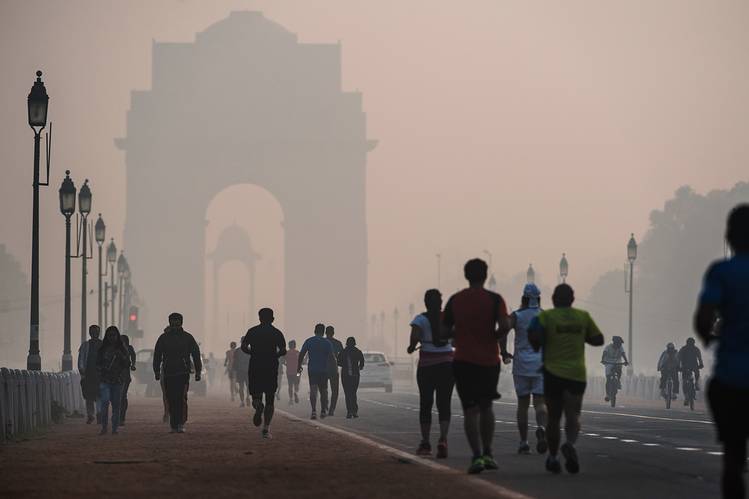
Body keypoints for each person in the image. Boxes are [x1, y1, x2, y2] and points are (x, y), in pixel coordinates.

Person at [694, 204, 749, 499]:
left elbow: (703, 318)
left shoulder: (722, 272)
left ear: (729, 237)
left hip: (732, 378)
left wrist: (709, 337)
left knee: (733, 457)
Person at [442, 258, 510, 474]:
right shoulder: (495, 299)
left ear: (466, 275)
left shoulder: (456, 300)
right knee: (486, 406)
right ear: (486, 275)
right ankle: (489, 452)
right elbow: (506, 325)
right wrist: (495, 336)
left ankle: (477, 455)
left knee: (470, 410)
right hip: (489, 360)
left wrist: (458, 334)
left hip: (463, 360)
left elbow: (442, 332)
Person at [528, 283, 604, 475]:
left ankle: (553, 458)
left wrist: (538, 344)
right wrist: (580, 335)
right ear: (572, 300)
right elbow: (598, 339)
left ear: (553, 300)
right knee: (573, 414)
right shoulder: (582, 317)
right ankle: (569, 443)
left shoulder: (545, 317)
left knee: (553, 418)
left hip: (553, 373)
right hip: (576, 374)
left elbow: (533, 334)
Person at [407, 288, 455, 458]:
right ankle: (443, 439)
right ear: (441, 303)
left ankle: (426, 442)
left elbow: (414, 339)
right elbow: (455, 338)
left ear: (426, 303)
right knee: (444, 403)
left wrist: (411, 348)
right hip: (447, 365)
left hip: (427, 366)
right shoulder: (448, 319)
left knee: (426, 403)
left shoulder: (420, 319)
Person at [508, 283, 548, 455]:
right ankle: (541, 427)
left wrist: (503, 351)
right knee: (540, 402)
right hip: (540, 364)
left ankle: (524, 442)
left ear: (524, 298)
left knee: (522, 405)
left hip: (521, 365)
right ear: (538, 299)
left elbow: (503, 331)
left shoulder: (517, 316)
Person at [240, 308, 287, 439]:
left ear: (259, 318)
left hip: (255, 366)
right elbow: (283, 350)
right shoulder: (276, 333)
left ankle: (258, 406)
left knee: (256, 395)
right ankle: (266, 429)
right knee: (270, 399)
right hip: (271, 367)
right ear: (272, 319)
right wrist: (275, 355)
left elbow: (244, 346)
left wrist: (252, 353)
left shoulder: (252, 331)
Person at [153, 312, 202, 434]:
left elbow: (196, 354)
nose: (175, 323)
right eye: (172, 320)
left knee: (181, 398)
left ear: (181, 322)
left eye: (177, 320)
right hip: (168, 372)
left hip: (183, 372)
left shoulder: (188, 337)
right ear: (169, 322)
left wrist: (198, 371)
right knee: (170, 398)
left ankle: (180, 423)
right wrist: (156, 370)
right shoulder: (163, 338)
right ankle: (173, 425)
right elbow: (157, 355)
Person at [96, 326, 131, 435]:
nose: (112, 338)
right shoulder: (102, 349)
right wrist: (102, 369)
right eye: (110, 335)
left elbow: (128, 364)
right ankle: (104, 427)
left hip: (118, 381)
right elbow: (97, 364)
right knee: (105, 402)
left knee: (116, 405)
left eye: (114, 335)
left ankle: (114, 428)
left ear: (117, 336)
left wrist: (122, 356)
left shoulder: (122, 349)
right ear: (107, 336)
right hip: (105, 380)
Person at [298, 324, 336, 419]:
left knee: (313, 390)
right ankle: (323, 410)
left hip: (312, 369)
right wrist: (334, 369)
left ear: (315, 330)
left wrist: (299, 366)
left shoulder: (309, 341)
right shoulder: (327, 343)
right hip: (324, 370)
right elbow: (332, 357)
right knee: (324, 391)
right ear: (323, 332)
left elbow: (302, 353)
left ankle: (314, 411)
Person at [77, 325, 102, 424]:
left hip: (100, 375)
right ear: (90, 333)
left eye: (96, 332)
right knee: (89, 396)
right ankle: (91, 415)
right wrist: (82, 369)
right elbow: (81, 358)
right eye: (93, 332)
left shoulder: (103, 344)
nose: (95, 334)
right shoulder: (85, 345)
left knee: (99, 395)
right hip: (89, 374)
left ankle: (99, 414)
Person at [339, 336, 365, 419]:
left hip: (345, 375)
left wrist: (345, 365)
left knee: (347, 393)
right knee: (353, 393)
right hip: (355, 375)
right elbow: (362, 362)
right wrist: (359, 367)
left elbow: (338, 362)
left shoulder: (343, 352)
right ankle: (354, 411)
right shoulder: (357, 351)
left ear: (347, 343)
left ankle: (349, 411)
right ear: (354, 343)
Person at [600, 336, 628, 401]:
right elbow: (604, 353)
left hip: (618, 361)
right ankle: (607, 394)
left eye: (620, 344)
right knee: (608, 378)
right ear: (615, 343)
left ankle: (618, 380)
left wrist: (626, 361)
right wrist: (603, 360)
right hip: (608, 362)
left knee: (619, 370)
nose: (620, 345)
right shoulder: (608, 347)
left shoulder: (620, 347)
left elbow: (623, 354)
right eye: (619, 343)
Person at [325, 326, 344, 416]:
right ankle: (332, 409)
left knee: (323, 389)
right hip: (333, 368)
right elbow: (342, 356)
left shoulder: (322, 342)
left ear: (325, 332)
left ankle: (324, 405)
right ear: (333, 333)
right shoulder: (337, 343)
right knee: (335, 390)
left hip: (323, 368)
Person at [119, 334, 137, 425]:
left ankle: (121, 417)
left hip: (125, 376)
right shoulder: (116, 348)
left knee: (122, 396)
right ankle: (119, 416)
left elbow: (133, 356)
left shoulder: (129, 348)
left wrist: (133, 365)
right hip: (116, 376)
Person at [285, 340, 301, 405]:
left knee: (290, 385)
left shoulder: (286, 353)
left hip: (289, 372)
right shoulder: (298, 353)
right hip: (297, 372)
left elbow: (283, 361)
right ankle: (296, 392)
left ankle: (291, 399)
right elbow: (302, 361)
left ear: (289, 346)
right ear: (295, 345)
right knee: (297, 383)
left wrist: (287, 364)